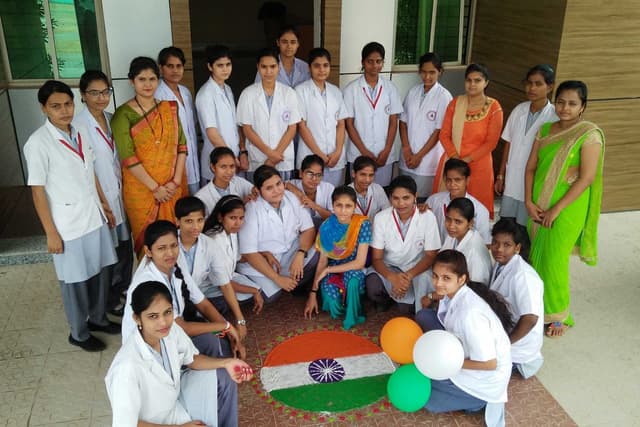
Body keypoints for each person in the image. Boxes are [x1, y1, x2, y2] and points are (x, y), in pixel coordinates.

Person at [24, 80, 119, 351]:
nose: (64, 111)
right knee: (75, 281)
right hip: (67, 224)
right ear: (43, 108)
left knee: (101, 271)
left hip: (93, 215)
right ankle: (78, 332)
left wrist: (105, 205)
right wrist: (51, 233)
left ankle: (98, 318)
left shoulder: (80, 131)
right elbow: (37, 192)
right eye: (56, 106)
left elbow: (91, 172)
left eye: (68, 104)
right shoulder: (38, 143)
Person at [106, 281, 253, 427]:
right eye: (153, 316)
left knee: (224, 375)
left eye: (167, 312)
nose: (163, 322)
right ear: (137, 318)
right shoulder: (125, 368)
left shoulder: (170, 331)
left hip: (175, 401)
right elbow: (126, 424)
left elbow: (192, 358)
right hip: (155, 422)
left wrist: (226, 362)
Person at [524, 80, 604, 337]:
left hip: (567, 208)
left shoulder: (589, 135)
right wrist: (528, 201)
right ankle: (536, 308)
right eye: (560, 102)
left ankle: (559, 315)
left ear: (583, 107)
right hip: (538, 205)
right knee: (535, 257)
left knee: (554, 259)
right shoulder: (545, 129)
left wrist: (556, 209)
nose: (565, 108)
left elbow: (587, 178)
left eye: (572, 103)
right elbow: (531, 168)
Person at [416, 250, 513, 427]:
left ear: (461, 279)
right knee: (424, 316)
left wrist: (445, 363)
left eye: (446, 278)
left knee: (427, 399)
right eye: (435, 276)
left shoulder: (470, 315)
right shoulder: (454, 294)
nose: (438, 283)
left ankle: (476, 402)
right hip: (461, 350)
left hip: (484, 380)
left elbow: (490, 364)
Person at [122, 220, 245, 359]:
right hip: (152, 350)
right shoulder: (149, 282)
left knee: (222, 339)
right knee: (214, 342)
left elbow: (202, 303)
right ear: (148, 251)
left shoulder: (175, 264)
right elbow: (181, 327)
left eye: (174, 246)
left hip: (171, 335)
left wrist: (227, 329)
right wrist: (225, 326)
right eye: (161, 248)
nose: (170, 253)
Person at [111, 56, 188, 255]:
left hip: (172, 188)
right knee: (148, 242)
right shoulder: (122, 114)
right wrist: (155, 188)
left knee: (173, 240)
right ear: (132, 81)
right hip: (142, 191)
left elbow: (182, 146)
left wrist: (175, 182)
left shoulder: (169, 109)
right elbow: (128, 157)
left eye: (152, 79)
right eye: (142, 79)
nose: (147, 84)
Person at [76, 70, 133, 317]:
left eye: (105, 92)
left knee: (124, 248)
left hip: (119, 194)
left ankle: (122, 292)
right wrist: (102, 202)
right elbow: (87, 169)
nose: (101, 98)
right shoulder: (79, 126)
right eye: (94, 93)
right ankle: (107, 302)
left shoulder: (112, 118)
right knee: (107, 255)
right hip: (101, 200)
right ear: (83, 95)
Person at [175, 196, 258, 342]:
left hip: (198, 298)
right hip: (174, 302)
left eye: (200, 220)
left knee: (221, 337)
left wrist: (240, 321)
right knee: (203, 338)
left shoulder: (208, 244)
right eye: (189, 221)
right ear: (177, 221)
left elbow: (225, 284)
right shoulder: (169, 246)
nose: (196, 226)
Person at [237, 165, 318, 302]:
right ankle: (284, 282)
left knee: (317, 253)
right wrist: (277, 278)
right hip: (264, 260)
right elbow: (249, 253)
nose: (276, 191)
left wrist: (301, 253)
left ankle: (293, 282)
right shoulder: (252, 209)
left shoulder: (290, 197)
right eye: (269, 188)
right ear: (258, 190)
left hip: (290, 252)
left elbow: (308, 229)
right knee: (271, 296)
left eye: (278, 184)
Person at [433, 63, 503, 217]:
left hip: (479, 165)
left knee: (476, 211)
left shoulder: (494, 107)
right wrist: (456, 158)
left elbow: (491, 142)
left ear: (486, 83)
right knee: (448, 208)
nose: (472, 84)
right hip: (453, 161)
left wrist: (467, 159)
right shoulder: (456, 103)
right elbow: (444, 134)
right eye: (469, 80)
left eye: (477, 80)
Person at [366, 176, 441, 313]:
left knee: (407, 309)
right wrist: (392, 278)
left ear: (415, 196)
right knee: (373, 287)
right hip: (389, 266)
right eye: (396, 198)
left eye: (406, 198)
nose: (401, 203)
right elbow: (377, 258)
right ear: (390, 198)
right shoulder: (381, 218)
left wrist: (408, 277)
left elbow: (431, 256)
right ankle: (387, 298)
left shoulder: (428, 217)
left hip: (415, 268)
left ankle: (400, 295)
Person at [496, 64, 558, 229]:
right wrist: (501, 175)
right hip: (512, 179)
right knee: (506, 226)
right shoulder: (519, 110)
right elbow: (508, 142)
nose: (532, 88)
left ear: (550, 87)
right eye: (529, 83)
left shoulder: (554, 117)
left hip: (534, 183)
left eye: (538, 84)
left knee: (525, 229)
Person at [304, 186, 371, 329]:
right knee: (333, 304)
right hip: (333, 269)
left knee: (353, 281)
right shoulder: (326, 227)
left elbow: (359, 263)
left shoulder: (362, 224)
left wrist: (328, 270)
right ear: (333, 205)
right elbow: (322, 261)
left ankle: (353, 312)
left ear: (355, 206)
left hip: (353, 269)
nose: (343, 211)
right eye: (339, 205)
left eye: (348, 206)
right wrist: (313, 293)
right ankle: (345, 304)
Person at [489, 218, 544, 379]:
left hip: (517, 351)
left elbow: (530, 318)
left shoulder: (524, 277)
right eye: (495, 243)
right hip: (501, 331)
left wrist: (505, 343)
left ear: (517, 248)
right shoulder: (501, 264)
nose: (499, 249)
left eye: (507, 245)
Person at [343, 42, 403, 186]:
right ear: (363, 62)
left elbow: (393, 122)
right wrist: (364, 151)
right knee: (357, 191)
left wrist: (387, 150)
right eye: (370, 61)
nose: (374, 66)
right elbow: (349, 124)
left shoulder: (390, 88)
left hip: (384, 154)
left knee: (381, 191)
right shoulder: (351, 89)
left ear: (383, 63)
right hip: (358, 153)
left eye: (378, 61)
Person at [237, 48, 302, 181]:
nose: (268, 72)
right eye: (264, 67)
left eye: (272, 67)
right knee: (257, 192)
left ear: (279, 67)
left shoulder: (289, 93)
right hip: (258, 159)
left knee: (282, 191)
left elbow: (292, 128)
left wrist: (275, 155)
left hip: (282, 159)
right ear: (258, 67)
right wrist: (270, 154)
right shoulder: (247, 94)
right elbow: (247, 129)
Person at [399, 52, 452, 199]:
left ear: (440, 72)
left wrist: (419, 156)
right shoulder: (412, 92)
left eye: (432, 72)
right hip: (407, 157)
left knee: (422, 199)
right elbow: (403, 122)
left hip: (428, 160)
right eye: (423, 72)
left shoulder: (444, 96)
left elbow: (439, 131)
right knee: (404, 197)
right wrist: (406, 149)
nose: (427, 76)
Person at [203, 195, 264, 316]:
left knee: (259, 289)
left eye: (241, 218)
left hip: (227, 279)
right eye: (232, 218)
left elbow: (238, 258)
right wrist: (254, 291)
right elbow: (224, 284)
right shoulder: (214, 239)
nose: (238, 223)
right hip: (211, 287)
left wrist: (263, 255)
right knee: (226, 302)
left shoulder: (231, 232)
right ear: (220, 217)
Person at [295, 47, 348, 186]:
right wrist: (320, 155)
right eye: (317, 66)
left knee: (334, 194)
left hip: (334, 158)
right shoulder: (300, 91)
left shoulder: (336, 92)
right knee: (311, 193)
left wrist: (338, 151)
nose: (322, 70)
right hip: (310, 155)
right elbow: (302, 126)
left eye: (325, 65)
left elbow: (341, 124)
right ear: (309, 68)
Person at [195, 45, 247, 185]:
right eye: (220, 65)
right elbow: (212, 133)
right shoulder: (206, 94)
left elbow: (235, 125)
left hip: (233, 158)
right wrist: (231, 159)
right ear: (210, 67)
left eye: (228, 64)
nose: (225, 69)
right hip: (218, 160)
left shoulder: (227, 89)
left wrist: (241, 152)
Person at [155, 46, 200, 194]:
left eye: (179, 66)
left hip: (192, 156)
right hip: (174, 161)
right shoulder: (158, 95)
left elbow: (191, 125)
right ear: (161, 68)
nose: (175, 70)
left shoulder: (185, 92)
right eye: (170, 66)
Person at [426, 158, 491, 245]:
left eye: (457, 180)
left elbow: (484, 243)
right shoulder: (433, 200)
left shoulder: (480, 211)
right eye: (449, 180)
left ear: (467, 180)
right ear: (444, 179)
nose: (452, 184)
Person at [440, 197, 492, 284]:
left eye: (458, 222)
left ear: (470, 223)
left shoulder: (474, 252)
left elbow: (476, 287)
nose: (451, 226)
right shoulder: (454, 235)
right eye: (448, 219)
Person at [194, 147, 255, 216]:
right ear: (213, 167)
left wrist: (253, 194)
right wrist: (241, 204)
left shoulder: (239, 182)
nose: (229, 172)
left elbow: (255, 191)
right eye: (223, 167)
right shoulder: (202, 197)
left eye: (232, 166)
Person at [285, 154, 335, 228]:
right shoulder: (293, 184)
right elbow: (281, 184)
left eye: (318, 175)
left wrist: (315, 206)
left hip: (324, 229)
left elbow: (335, 219)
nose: (314, 179)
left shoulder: (328, 188)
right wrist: (298, 192)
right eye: (310, 174)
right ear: (301, 173)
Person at [348, 155, 390, 223]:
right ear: (353, 173)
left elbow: (387, 212)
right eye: (363, 174)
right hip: (352, 229)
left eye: (371, 175)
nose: (367, 180)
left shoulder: (378, 189)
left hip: (375, 228)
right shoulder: (345, 193)